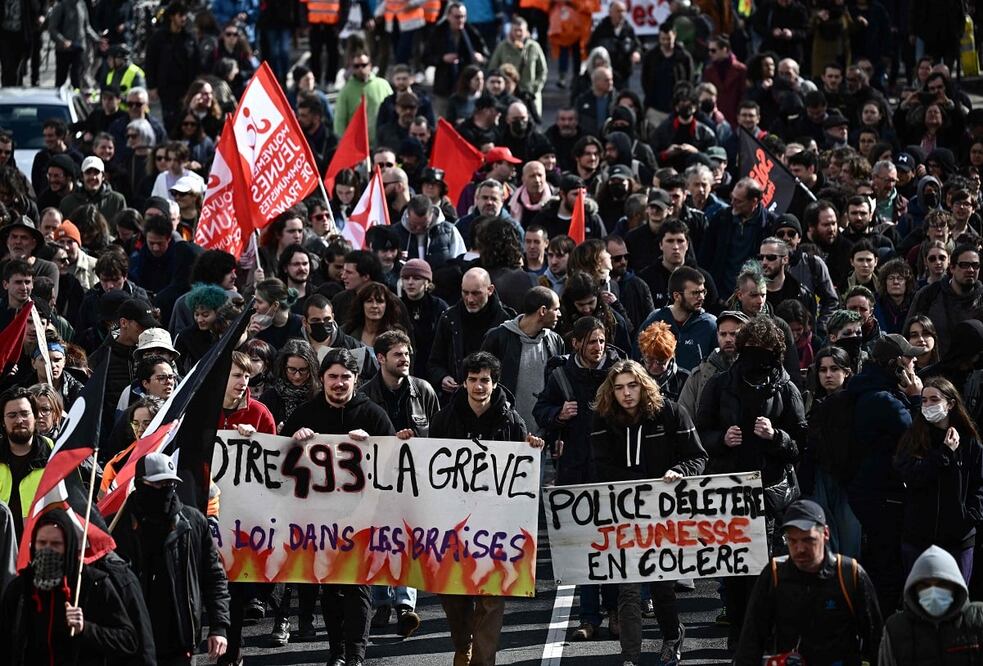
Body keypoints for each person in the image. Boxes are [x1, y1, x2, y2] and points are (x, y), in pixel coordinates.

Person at [282, 348, 400, 666]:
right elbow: (276, 461)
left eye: (345, 377)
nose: (338, 383)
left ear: (355, 380)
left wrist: (374, 446)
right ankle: (336, 654)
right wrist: (293, 439)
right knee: (330, 590)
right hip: (318, 520)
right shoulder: (305, 414)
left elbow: (396, 465)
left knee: (358, 586)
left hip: (363, 518)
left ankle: (356, 656)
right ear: (321, 379)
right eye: (332, 376)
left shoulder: (374, 415)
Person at [696, 316, 808, 649]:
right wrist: (720, 439)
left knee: (772, 572)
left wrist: (777, 437)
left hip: (771, 495)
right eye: (750, 352)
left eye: (764, 353)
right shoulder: (719, 385)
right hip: (730, 494)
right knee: (735, 574)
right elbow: (699, 433)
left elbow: (801, 441)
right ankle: (740, 636)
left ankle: (772, 638)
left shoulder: (786, 388)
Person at [429, 351, 543, 666]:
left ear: (494, 384)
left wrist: (531, 447)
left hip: (496, 527)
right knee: (453, 595)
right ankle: (462, 642)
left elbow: (522, 471)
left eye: (485, 380)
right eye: (474, 380)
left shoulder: (510, 420)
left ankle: (482, 660)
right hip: (453, 526)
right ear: (464, 383)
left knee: (492, 601)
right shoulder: (445, 419)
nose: (480, 386)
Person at [591, 359, 708, 666]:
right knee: (627, 589)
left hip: (664, 515)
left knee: (661, 586)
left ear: (643, 385)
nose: (626, 393)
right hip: (624, 515)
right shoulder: (603, 420)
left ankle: (672, 637)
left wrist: (678, 471)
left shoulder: (670, 413)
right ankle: (630, 656)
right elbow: (598, 466)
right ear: (611, 392)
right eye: (619, 388)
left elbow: (697, 457)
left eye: (632, 385)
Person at [111, 452, 230, 665]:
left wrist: (219, 626)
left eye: (170, 483)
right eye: (158, 483)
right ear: (140, 484)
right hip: (132, 640)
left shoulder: (193, 522)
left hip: (179, 640)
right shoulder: (119, 526)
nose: (165, 489)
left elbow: (214, 577)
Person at [734, 500, 883, 664]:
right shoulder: (775, 574)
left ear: (825, 534)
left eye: (808, 540)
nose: (800, 548)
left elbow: (875, 640)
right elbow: (752, 638)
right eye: (792, 541)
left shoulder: (850, 573)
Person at [360, 330, 436, 636]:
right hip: (376, 480)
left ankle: (405, 604)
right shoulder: (364, 394)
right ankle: (380, 600)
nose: (404, 359)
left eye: (406, 354)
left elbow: (438, 435)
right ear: (380, 359)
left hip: (414, 480)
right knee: (379, 541)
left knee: (408, 539)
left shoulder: (424, 390)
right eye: (397, 355)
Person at [846, 334, 927, 615]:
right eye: (908, 358)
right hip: (882, 494)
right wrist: (916, 398)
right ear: (895, 365)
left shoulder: (871, 389)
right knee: (886, 567)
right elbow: (917, 437)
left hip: (871, 490)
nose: (915, 361)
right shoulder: (884, 400)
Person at [0, 508, 139, 665]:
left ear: (69, 546)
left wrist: (86, 629)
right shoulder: (20, 590)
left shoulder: (93, 584)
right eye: (42, 543)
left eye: (56, 544)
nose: (47, 549)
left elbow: (128, 640)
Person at [895, 377, 983, 583]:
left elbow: (979, 484)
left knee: (955, 601)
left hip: (958, 538)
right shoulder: (913, 439)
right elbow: (911, 475)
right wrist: (943, 453)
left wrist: (970, 515)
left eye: (934, 400)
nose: (927, 405)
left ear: (950, 404)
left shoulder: (969, 443)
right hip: (919, 538)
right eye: (924, 400)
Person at [481, 286, 565, 434]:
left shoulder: (555, 341)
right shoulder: (498, 338)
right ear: (543, 311)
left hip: (544, 435)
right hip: (504, 432)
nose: (559, 314)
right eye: (556, 309)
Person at [879, 546, 983, 664]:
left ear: (955, 586)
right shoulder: (896, 630)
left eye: (942, 584)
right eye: (924, 586)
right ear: (913, 589)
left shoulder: (978, 619)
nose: (933, 592)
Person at [429, 267, 514, 400]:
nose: (470, 299)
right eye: (465, 293)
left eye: (476, 293)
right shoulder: (449, 319)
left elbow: (511, 368)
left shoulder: (506, 322)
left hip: (494, 400)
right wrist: (442, 377)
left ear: (490, 290)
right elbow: (435, 361)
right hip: (457, 400)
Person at [636, 267, 718, 374]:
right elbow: (637, 360)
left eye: (703, 292)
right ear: (677, 296)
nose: (701, 297)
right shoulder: (655, 320)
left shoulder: (710, 325)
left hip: (696, 389)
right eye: (695, 293)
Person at [678, 310, 748, 418]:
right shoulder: (699, 375)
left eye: (734, 334)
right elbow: (683, 419)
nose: (728, 339)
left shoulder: (758, 373)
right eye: (723, 334)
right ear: (717, 335)